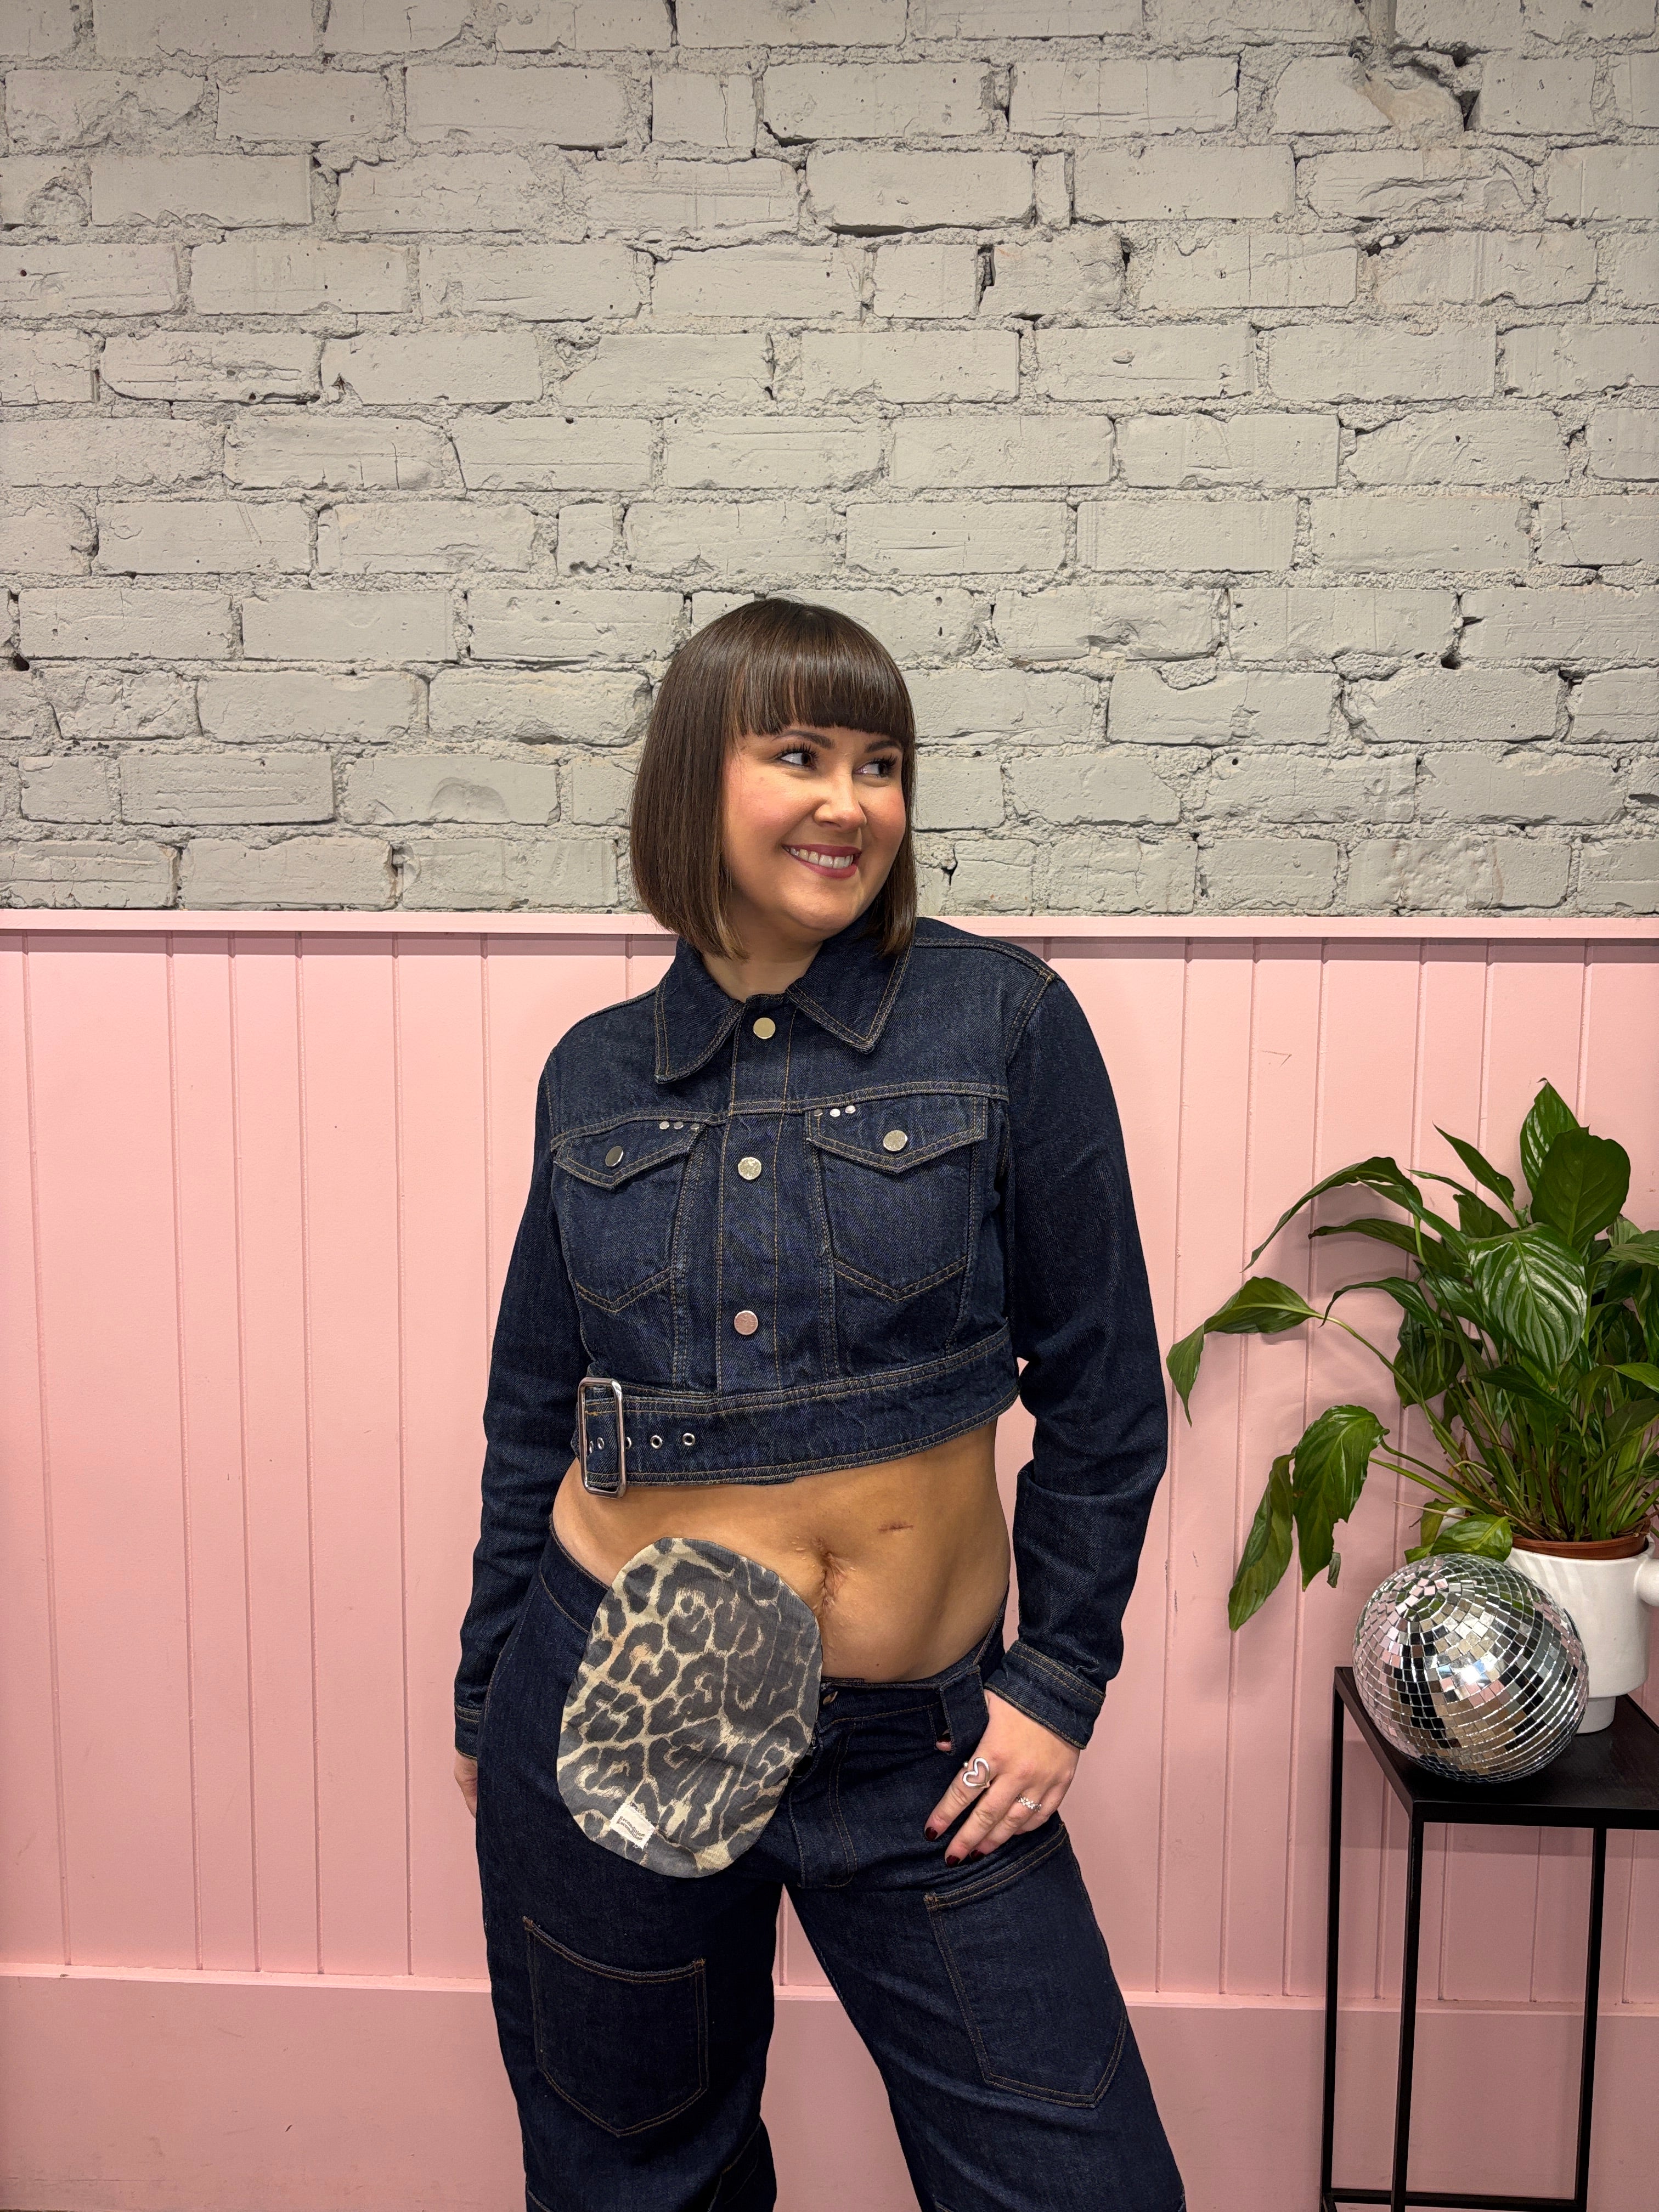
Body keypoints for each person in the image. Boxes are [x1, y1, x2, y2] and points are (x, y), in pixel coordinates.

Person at [453, 597, 1184, 2212]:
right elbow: (534, 1412)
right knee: (644, 2182)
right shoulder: (594, 1074)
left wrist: (1059, 1679)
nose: (850, 802)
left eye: (881, 763)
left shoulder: (1005, 1023)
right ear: (691, 779)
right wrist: (486, 1692)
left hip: (917, 1744)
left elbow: (1105, 1389)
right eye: (799, 754)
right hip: (631, 1685)